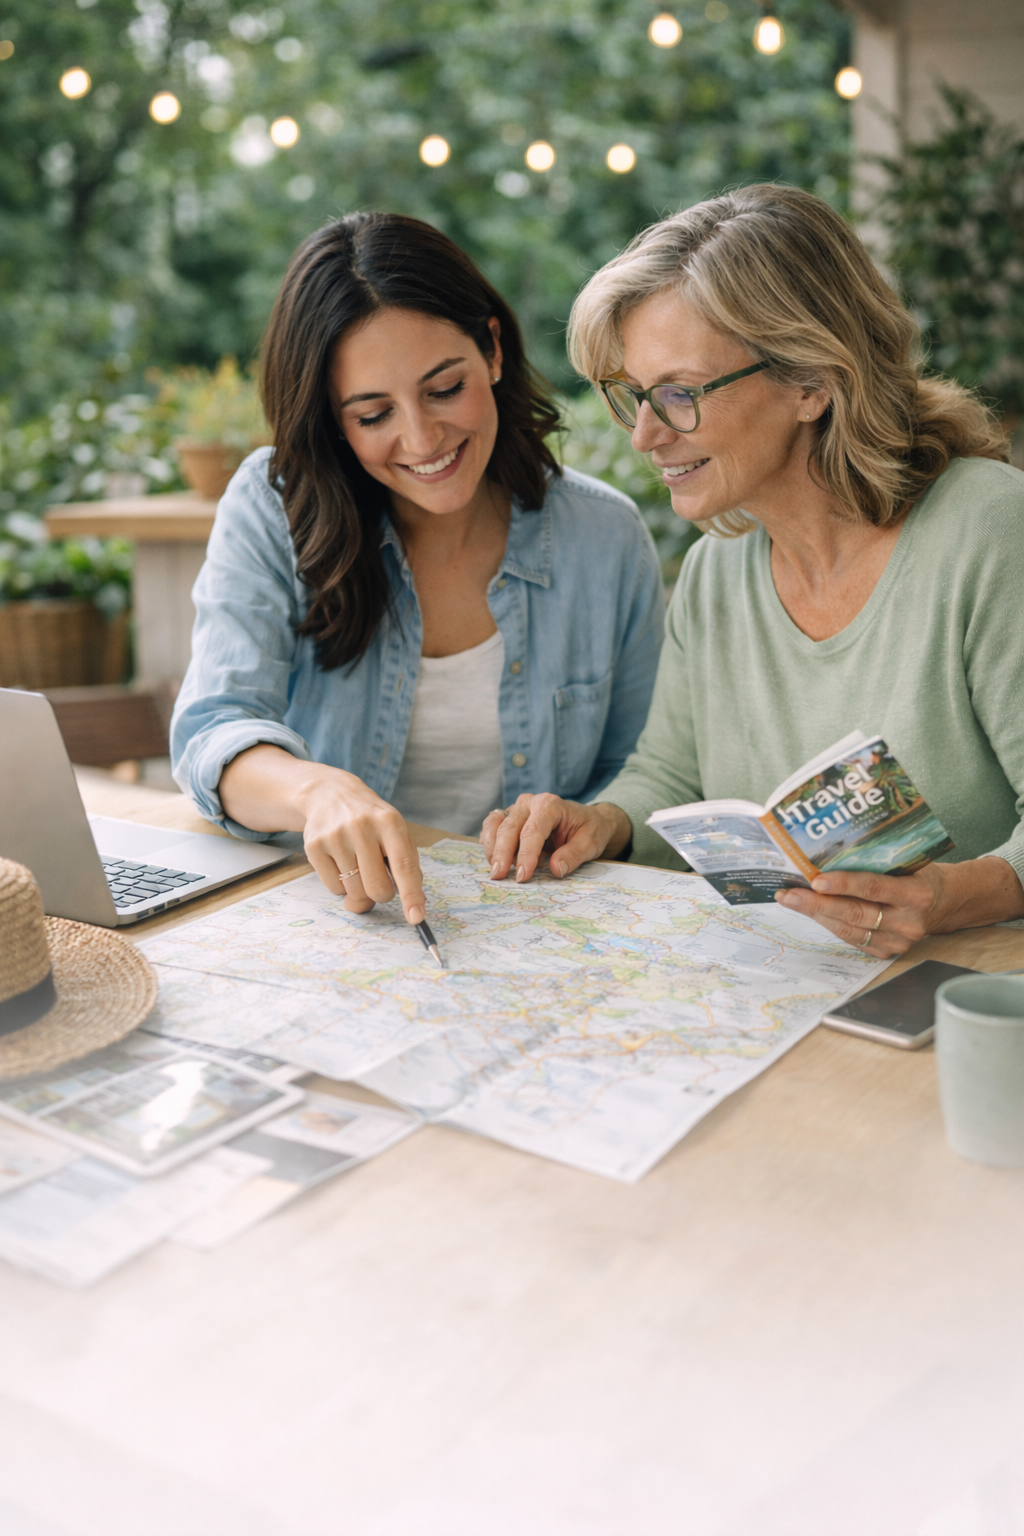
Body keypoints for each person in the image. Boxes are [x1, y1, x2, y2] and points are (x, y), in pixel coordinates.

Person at [483, 184, 1024, 957]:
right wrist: (603, 822)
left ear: (811, 381)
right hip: (799, 996)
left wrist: (950, 897)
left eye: (678, 394)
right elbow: (671, 776)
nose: (644, 436)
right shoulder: (716, 573)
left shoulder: (990, 529)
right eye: (633, 395)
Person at [171, 212, 665, 930]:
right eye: (373, 415)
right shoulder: (274, 505)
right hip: (334, 920)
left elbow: (646, 767)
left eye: (443, 389)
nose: (422, 438)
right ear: (334, 422)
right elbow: (213, 729)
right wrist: (317, 792)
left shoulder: (605, 537)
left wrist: (600, 818)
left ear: (492, 349)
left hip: (534, 933)